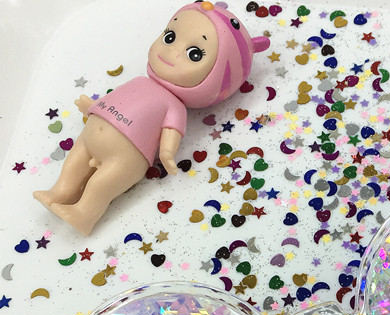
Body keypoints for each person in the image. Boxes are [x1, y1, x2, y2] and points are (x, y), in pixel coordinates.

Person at [33, 1, 270, 235]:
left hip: (128, 156)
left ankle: (84, 213)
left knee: (101, 184)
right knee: (73, 164)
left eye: (194, 54)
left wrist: (166, 153)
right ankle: (59, 191)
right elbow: (119, 98)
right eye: (170, 37)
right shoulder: (139, 81)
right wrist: (91, 106)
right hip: (91, 134)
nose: (172, 52)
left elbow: (171, 132)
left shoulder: (175, 106)